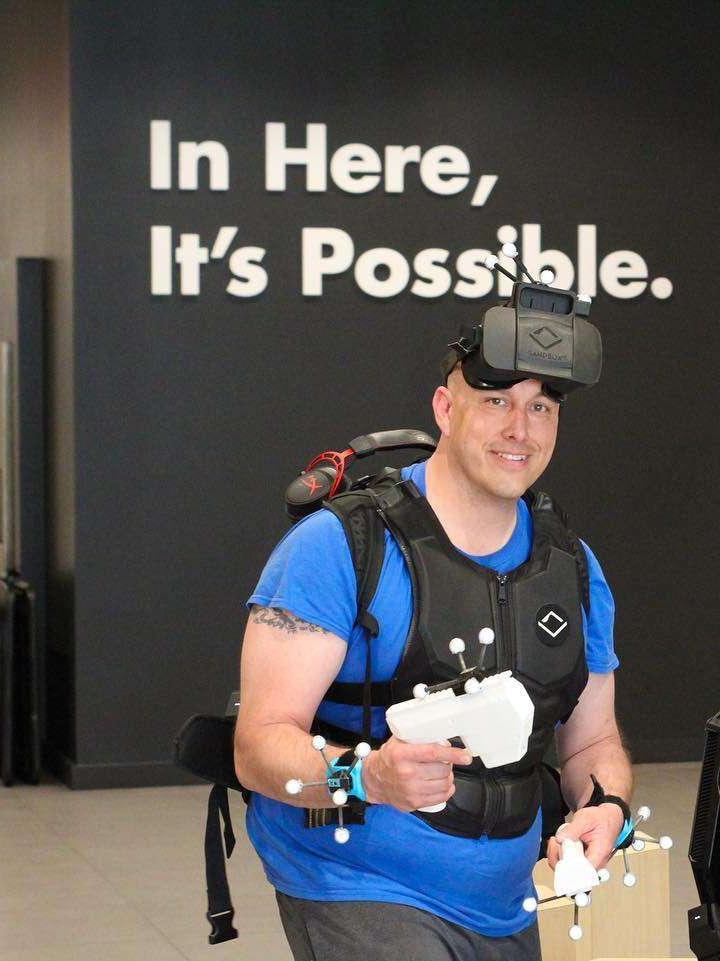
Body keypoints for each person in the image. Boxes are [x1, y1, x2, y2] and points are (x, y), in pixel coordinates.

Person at [232, 284, 632, 961]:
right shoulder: (341, 546)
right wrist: (366, 777)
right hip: (358, 885)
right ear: (445, 408)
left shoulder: (572, 565)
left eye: (541, 407)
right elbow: (257, 745)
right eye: (497, 401)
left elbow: (592, 742)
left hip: (504, 904)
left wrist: (607, 807)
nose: (520, 428)